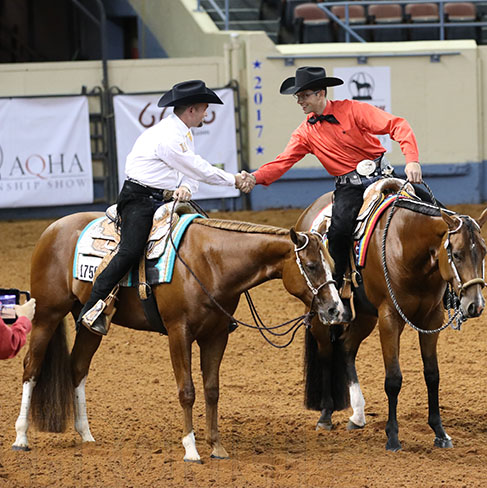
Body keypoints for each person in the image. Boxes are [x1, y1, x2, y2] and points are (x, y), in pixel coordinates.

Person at [78, 80, 250, 336]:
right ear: (192, 109)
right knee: (130, 249)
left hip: (163, 198)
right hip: (138, 199)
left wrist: (187, 190)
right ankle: (93, 307)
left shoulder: (183, 133)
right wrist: (234, 180)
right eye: (204, 109)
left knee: (198, 233)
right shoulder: (169, 136)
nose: (206, 114)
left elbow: (190, 172)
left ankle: (210, 307)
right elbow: (197, 167)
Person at [239, 66, 422, 293]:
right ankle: (337, 287)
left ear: (321, 93)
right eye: (298, 97)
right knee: (339, 231)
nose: (299, 101)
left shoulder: (353, 110)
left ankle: (449, 284)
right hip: (349, 188)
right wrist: (254, 177)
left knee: (430, 208)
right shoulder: (304, 133)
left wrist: (412, 159)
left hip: (383, 175)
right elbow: (282, 162)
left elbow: (397, 125)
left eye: (304, 95)